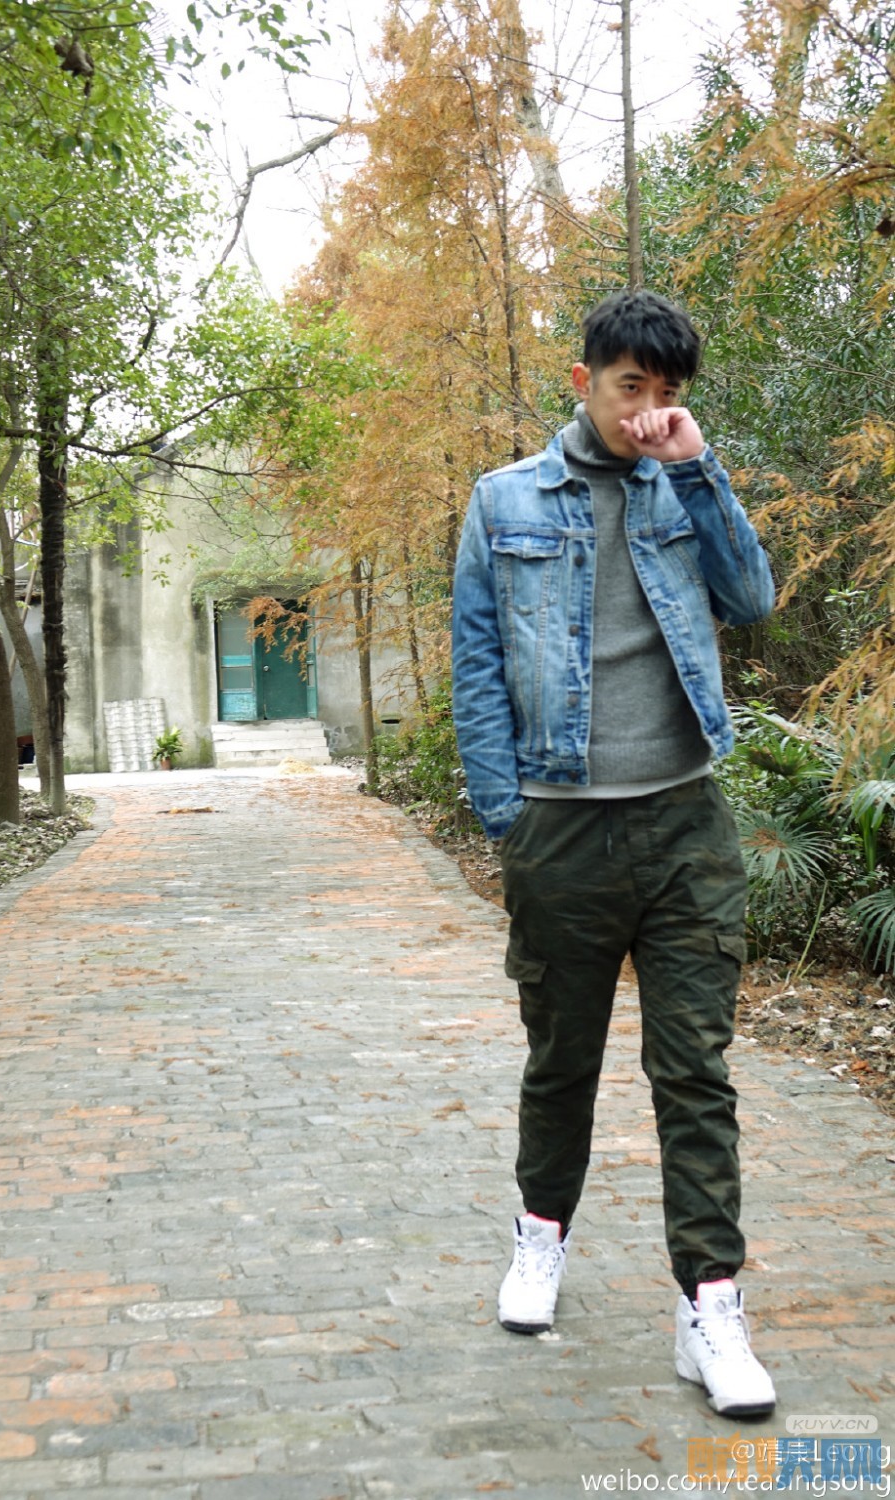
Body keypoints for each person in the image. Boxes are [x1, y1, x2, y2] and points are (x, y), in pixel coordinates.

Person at [451, 289, 777, 1419]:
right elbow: (477, 664)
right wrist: (510, 819)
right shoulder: (502, 501)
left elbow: (752, 600)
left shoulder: (681, 481)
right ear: (584, 379)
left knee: (695, 1072)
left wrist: (698, 466)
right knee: (563, 1061)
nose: (646, 410)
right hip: (562, 829)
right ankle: (540, 1236)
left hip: (686, 824)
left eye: (665, 392)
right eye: (630, 386)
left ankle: (709, 1306)